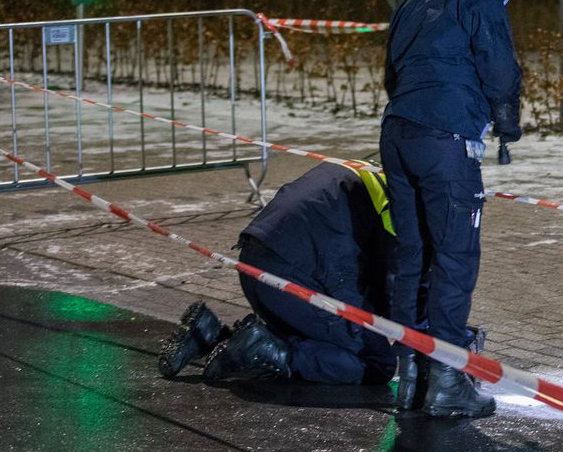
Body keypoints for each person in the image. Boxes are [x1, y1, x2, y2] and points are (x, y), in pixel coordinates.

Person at [379, 0, 522, 419]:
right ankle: (446, 381)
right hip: (446, 140)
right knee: (455, 257)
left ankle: (409, 374)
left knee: (412, 255)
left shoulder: (412, 4)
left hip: (398, 134)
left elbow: (391, 74)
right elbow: (500, 71)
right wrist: (506, 124)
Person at [158, 161, 397, 387]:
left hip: (256, 264)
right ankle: (273, 351)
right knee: (376, 361)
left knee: (323, 334)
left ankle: (209, 336)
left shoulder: (368, 173)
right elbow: (390, 284)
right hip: (294, 274)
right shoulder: (400, 203)